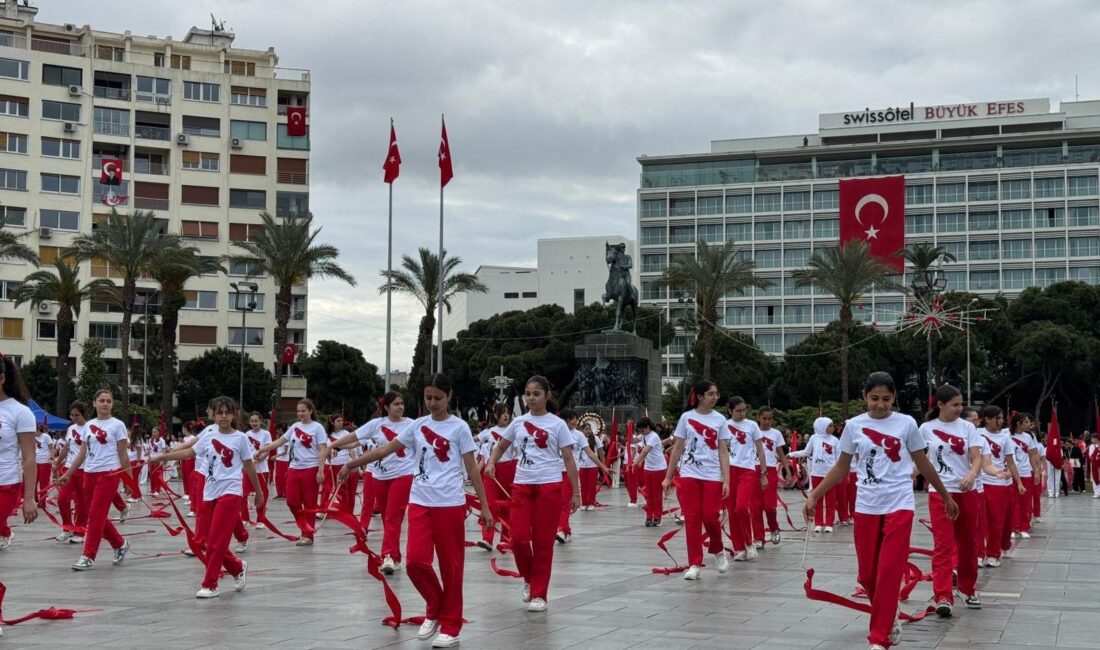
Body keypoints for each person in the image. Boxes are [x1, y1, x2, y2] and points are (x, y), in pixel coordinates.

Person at [804, 372, 958, 650]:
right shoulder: (853, 426)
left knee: (888, 571)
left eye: (886, 399)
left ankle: (879, 638)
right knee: (866, 576)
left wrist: (945, 496)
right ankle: (888, 616)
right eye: (874, 398)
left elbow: (922, 463)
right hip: (866, 506)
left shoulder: (906, 424)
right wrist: (815, 494)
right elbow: (841, 467)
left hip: (899, 504)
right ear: (864, 397)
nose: (880, 404)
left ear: (894, 397)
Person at [340, 374, 492, 648]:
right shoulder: (417, 426)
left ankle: (451, 626)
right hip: (421, 502)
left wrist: (485, 507)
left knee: (451, 567)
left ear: (449, 396)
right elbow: (384, 450)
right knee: (415, 562)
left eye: (438, 398)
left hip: (450, 505)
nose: (432, 403)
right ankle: (435, 604)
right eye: (428, 398)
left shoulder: (459, 428)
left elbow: (471, 469)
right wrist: (351, 465)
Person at [149, 396, 260, 598]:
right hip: (210, 492)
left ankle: (210, 584)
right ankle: (236, 567)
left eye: (228, 412)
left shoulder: (240, 438)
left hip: (231, 492)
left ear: (234, 414)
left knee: (217, 540)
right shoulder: (208, 434)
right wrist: (163, 457)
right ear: (214, 415)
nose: (224, 416)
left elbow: (249, 466)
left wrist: (259, 493)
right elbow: (189, 452)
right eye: (220, 412)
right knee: (208, 540)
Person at [487, 375, 580, 612]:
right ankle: (529, 578)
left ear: (547, 396)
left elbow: (569, 459)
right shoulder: (518, 423)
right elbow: (501, 446)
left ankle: (539, 593)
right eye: (528, 394)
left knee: (542, 543)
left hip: (549, 486)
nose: (531, 398)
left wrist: (576, 493)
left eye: (536, 394)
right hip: (522, 486)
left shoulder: (557, 424)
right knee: (517, 539)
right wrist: (491, 462)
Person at [920, 385, 1005, 616]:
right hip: (940, 493)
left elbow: (976, 457)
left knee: (969, 544)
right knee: (943, 545)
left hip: (967, 492)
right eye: (955, 404)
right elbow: (923, 459)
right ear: (940, 404)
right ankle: (943, 596)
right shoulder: (926, 428)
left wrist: (971, 474)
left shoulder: (968, 427)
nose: (960, 408)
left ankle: (967, 588)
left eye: (961, 404)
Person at [331, 391, 415, 575]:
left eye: (402, 403)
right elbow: (353, 437)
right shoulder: (376, 424)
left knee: (393, 516)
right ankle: (395, 555)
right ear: (386, 407)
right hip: (379, 476)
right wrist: (331, 446)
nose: (400, 407)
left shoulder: (412, 425)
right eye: (396, 404)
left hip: (403, 475)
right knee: (387, 517)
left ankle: (388, 556)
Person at [661, 379, 731, 581]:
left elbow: (723, 451)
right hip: (690, 473)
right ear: (699, 396)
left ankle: (718, 550)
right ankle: (694, 562)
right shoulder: (686, 418)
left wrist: (726, 480)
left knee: (710, 516)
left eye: (716, 394)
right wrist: (667, 477)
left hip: (712, 475)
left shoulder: (720, 420)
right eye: (711, 394)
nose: (715, 397)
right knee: (692, 518)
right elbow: (678, 448)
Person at [57, 388, 132, 570]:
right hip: (89, 474)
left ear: (112, 404)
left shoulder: (118, 425)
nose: (105, 404)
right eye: (102, 400)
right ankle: (119, 544)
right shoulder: (89, 425)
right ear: (94, 403)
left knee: (95, 516)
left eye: (109, 401)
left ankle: (88, 555)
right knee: (95, 515)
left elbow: (123, 454)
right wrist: (67, 474)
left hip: (109, 474)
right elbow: (82, 453)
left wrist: (129, 481)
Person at [253, 399, 327, 545]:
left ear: (310, 411)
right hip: (294, 469)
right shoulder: (294, 426)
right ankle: (304, 527)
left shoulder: (317, 428)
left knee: (309, 503)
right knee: (292, 501)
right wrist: (262, 450)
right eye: (298, 411)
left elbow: (322, 449)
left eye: (303, 411)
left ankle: (307, 535)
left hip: (310, 469)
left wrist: (321, 470)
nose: (300, 414)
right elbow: (280, 441)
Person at [0, 354, 38, 551]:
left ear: (2, 378)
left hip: (6, 484)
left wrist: (29, 498)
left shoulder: (20, 412)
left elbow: (29, 457)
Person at [978, 405, 1022, 567]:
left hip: (998, 484)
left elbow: (1010, 461)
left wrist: (1017, 480)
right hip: (979, 483)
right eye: (997, 418)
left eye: (1002, 418)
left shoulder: (1005, 438)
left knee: (997, 521)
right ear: (987, 419)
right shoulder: (976, 434)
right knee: (979, 521)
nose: (1001, 421)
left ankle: (993, 554)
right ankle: (979, 553)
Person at [724, 396, 767, 559]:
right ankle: (739, 548)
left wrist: (763, 474)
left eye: (744, 410)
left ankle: (749, 543)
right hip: (729, 470)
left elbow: (760, 450)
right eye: (738, 411)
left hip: (747, 470)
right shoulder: (724, 426)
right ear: (730, 411)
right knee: (732, 511)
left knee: (741, 507)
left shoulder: (752, 425)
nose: (742, 413)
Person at [556, 408, 608, 543]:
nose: (574, 421)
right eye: (571, 418)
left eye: (574, 418)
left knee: (564, 501)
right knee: (555, 502)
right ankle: (564, 530)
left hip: (570, 472)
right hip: (554, 472)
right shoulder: (555, 433)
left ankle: (562, 530)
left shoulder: (578, 435)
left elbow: (590, 453)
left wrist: (603, 467)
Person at [789, 416, 840, 533]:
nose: (832, 428)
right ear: (821, 427)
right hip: (817, 473)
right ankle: (818, 522)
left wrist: (839, 474)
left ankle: (829, 523)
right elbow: (806, 452)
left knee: (831, 499)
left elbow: (838, 458)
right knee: (817, 498)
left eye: (832, 426)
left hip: (830, 474)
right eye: (829, 426)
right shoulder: (814, 438)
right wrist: (792, 454)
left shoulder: (835, 440)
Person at [477, 404, 516, 551]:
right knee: (489, 504)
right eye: (502, 413)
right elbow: (473, 440)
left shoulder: (513, 431)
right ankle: (487, 539)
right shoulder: (489, 432)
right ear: (495, 415)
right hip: (490, 470)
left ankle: (505, 539)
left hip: (508, 468)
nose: (505, 416)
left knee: (507, 505)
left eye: (507, 413)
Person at [54, 402, 90, 544]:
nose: (74, 418)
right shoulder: (70, 429)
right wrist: (57, 463)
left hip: (84, 470)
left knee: (81, 503)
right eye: (72, 415)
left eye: (77, 415)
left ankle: (80, 531)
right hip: (68, 469)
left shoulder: (90, 427)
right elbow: (66, 448)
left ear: (83, 414)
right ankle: (67, 528)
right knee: (62, 499)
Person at [755, 406, 788, 545]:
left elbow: (780, 453)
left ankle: (774, 528)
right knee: (755, 507)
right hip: (753, 469)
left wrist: (787, 469)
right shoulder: (752, 431)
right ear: (758, 418)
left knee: (769, 506)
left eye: (769, 418)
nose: (767, 421)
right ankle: (758, 537)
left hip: (770, 470)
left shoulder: (776, 434)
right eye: (764, 418)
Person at [1009, 413, 1041, 539]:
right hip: (1009, 473)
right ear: (1019, 423)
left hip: (1025, 472)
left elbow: (1033, 455)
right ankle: (1012, 527)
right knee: (1012, 502)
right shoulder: (1006, 434)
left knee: (1025, 502)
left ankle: (1023, 527)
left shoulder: (1029, 437)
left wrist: (1036, 471)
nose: (1029, 424)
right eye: (1027, 422)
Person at [633, 417, 668, 527]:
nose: (642, 433)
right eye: (640, 431)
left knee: (657, 494)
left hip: (659, 468)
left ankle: (657, 517)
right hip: (648, 468)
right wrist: (629, 430)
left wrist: (635, 462)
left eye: (643, 430)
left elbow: (644, 452)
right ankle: (649, 516)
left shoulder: (653, 436)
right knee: (649, 494)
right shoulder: (643, 435)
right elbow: (632, 441)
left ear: (648, 427)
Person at [321, 415, 358, 515]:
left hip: (342, 464)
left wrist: (354, 463)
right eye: (338, 421)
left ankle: (343, 510)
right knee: (326, 488)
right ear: (332, 422)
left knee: (342, 489)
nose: (341, 422)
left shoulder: (345, 433)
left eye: (342, 420)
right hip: (329, 465)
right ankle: (323, 509)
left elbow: (351, 449)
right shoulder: (326, 435)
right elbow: (322, 450)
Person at [242, 412, 272, 529]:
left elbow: (267, 451)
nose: (254, 423)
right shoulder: (246, 434)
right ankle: (244, 518)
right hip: (248, 469)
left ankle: (260, 519)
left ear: (260, 421)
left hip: (261, 469)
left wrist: (257, 460)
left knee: (262, 494)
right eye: (252, 421)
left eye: (256, 421)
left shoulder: (266, 434)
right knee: (243, 494)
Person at [575, 421, 603, 510]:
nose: (588, 431)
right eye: (586, 429)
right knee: (583, 486)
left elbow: (600, 452)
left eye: (589, 429)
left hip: (593, 466)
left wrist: (603, 464)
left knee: (591, 486)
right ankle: (584, 503)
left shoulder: (595, 438)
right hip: (582, 466)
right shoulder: (579, 439)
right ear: (582, 430)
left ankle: (591, 503)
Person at [33, 426, 52, 507]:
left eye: (35, 431)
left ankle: (42, 502)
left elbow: (51, 447)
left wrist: (51, 458)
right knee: (33, 482)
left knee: (43, 483)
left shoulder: (46, 436)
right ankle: (34, 499)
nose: (34, 433)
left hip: (45, 462)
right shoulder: (33, 436)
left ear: (38, 429)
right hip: (35, 462)